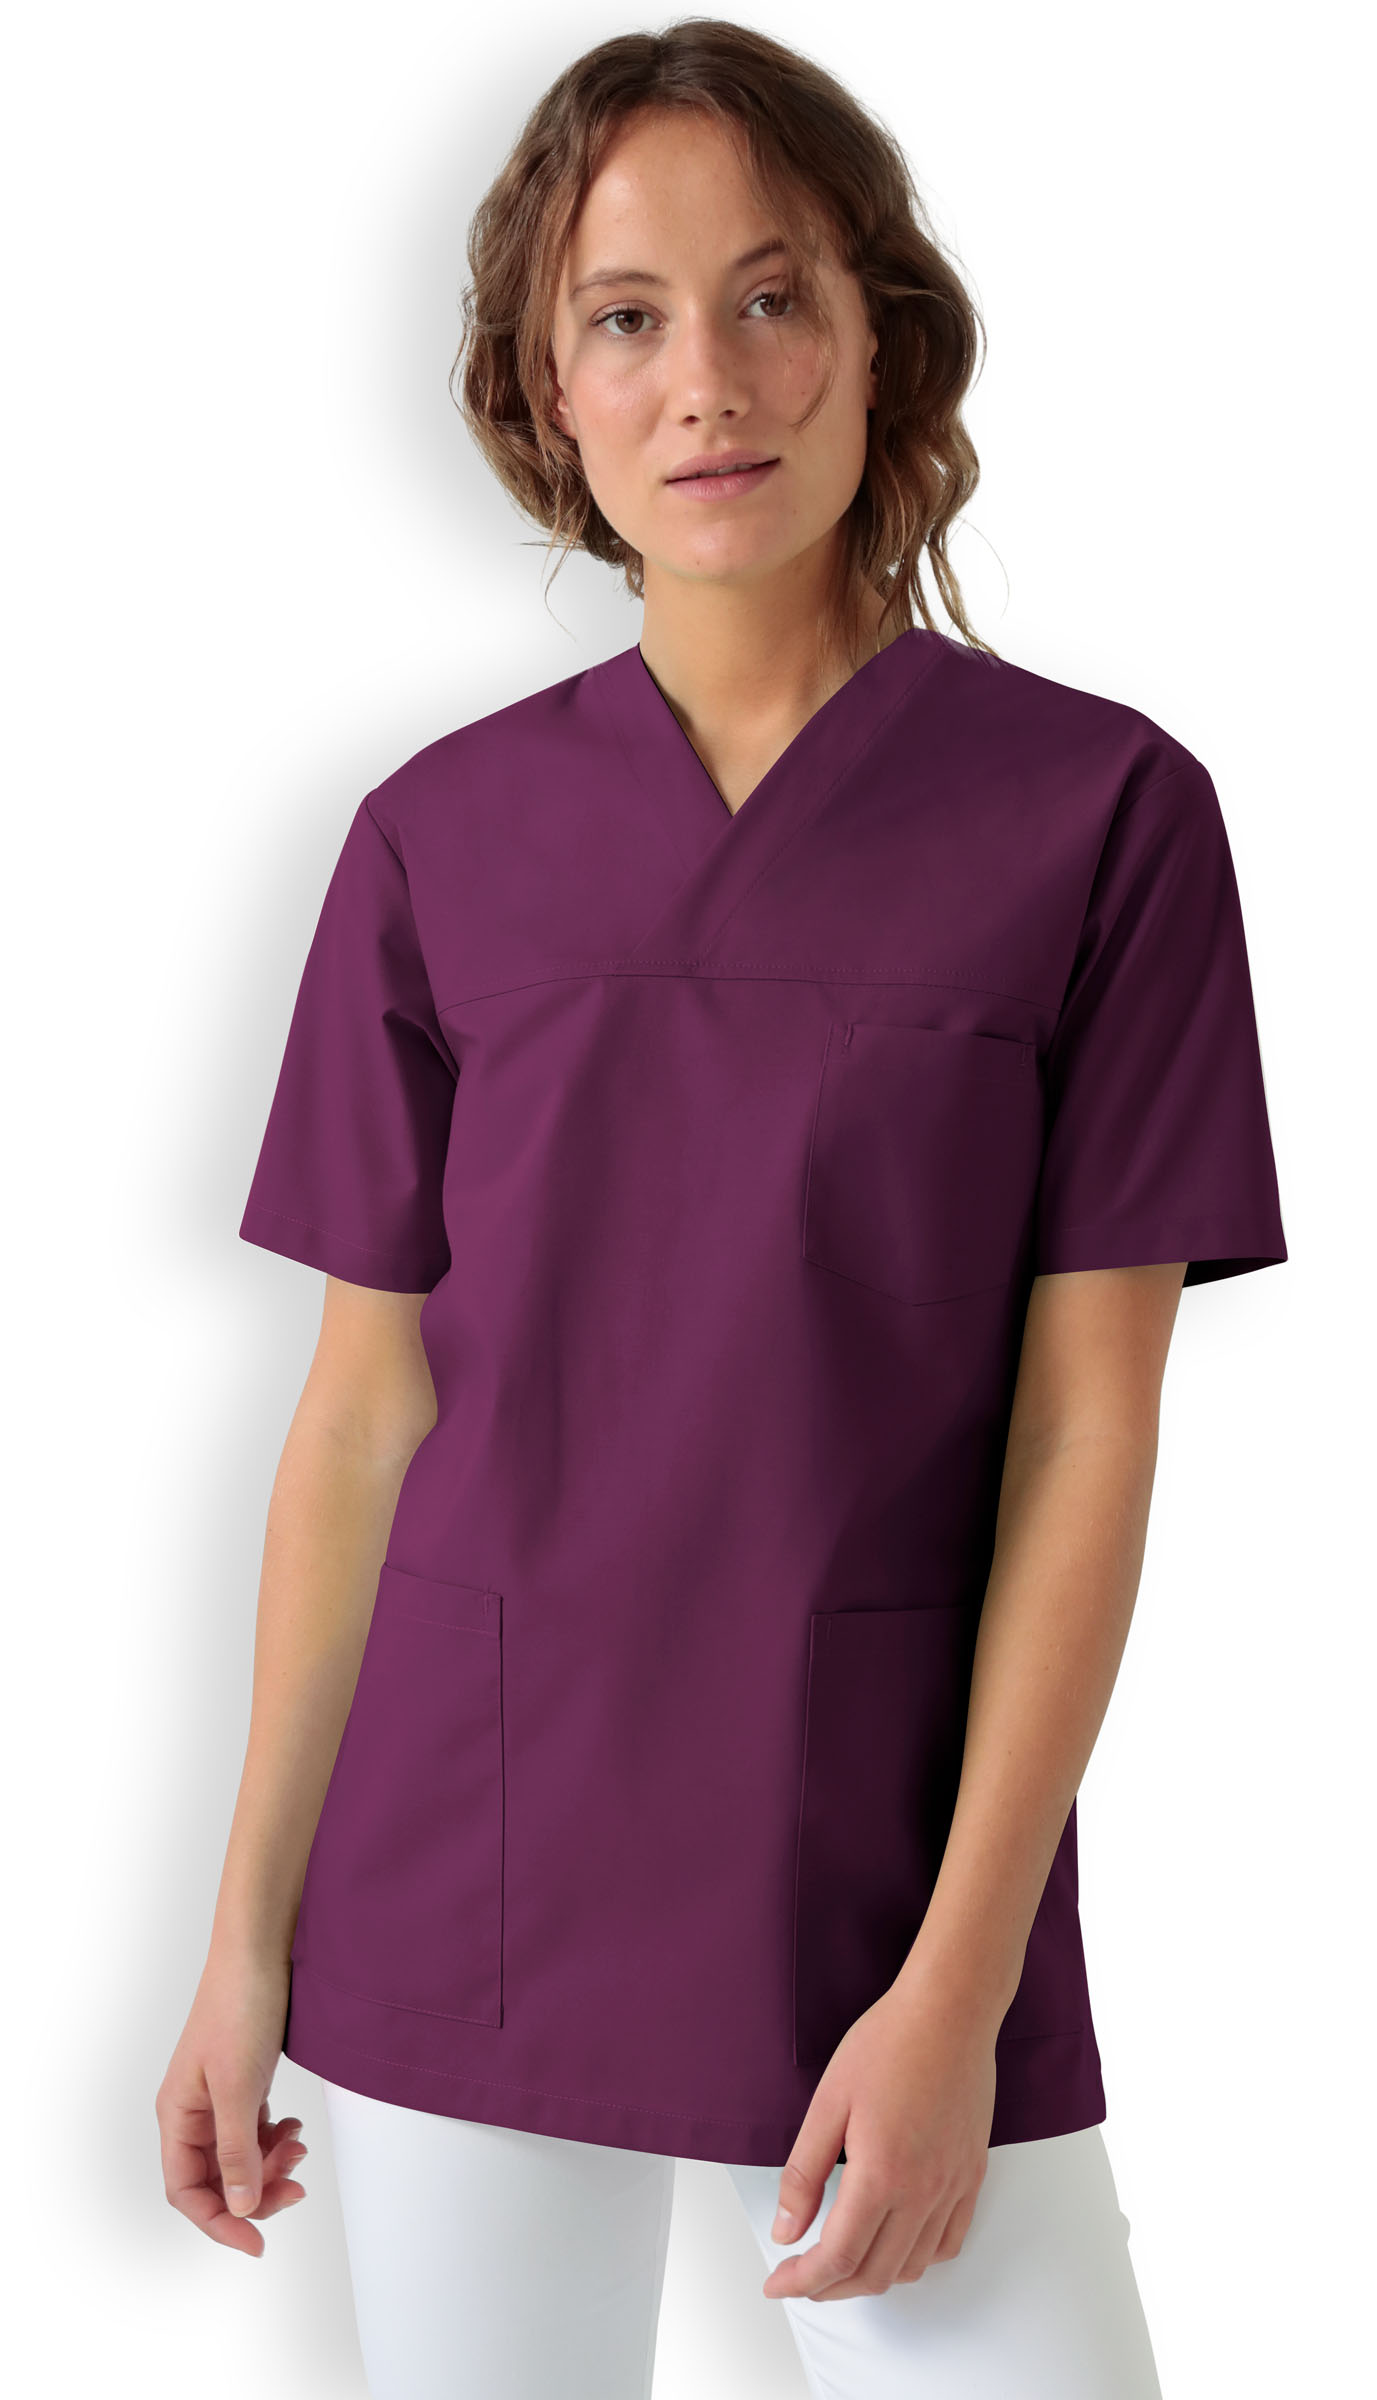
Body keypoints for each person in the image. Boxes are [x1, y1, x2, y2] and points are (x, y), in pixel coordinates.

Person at [156, 21, 1287, 2397]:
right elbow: (360, 1417)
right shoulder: (434, 843)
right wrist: (244, 1935)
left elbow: (1085, 1429)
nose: (707, 382)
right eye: (625, 317)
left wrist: (958, 1984)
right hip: (465, 1866)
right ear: (542, 391)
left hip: (877, 1877)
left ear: (880, 335)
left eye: (772, 298)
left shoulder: (1098, 822)